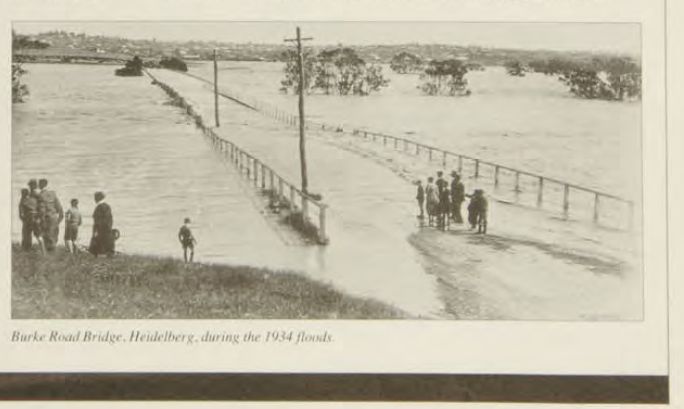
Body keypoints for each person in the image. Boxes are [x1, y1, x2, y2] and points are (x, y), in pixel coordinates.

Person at [37, 178, 64, 252]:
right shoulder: (53, 194)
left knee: (47, 240)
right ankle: (54, 259)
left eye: (39, 184)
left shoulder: (40, 195)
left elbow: (42, 211)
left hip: (46, 219)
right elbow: (60, 209)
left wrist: (42, 222)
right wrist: (58, 221)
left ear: (41, 185)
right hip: (54, 219)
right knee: (54, 239)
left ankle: (49, 259)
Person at [89, 191, 115, 257]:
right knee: (107, 246)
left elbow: (97, 221)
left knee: (98, 247)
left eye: (95, 197)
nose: (94, 199)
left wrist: (95, 232)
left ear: (97, 198)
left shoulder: (99, 207)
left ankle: (100, 256)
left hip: (101, 230)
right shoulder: (108, 206)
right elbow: (110, 219)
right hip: (108, 229)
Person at [24, 179, 45, 253]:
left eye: (32, 185)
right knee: (27, 235)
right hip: (28, 218)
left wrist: (39, 218)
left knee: (38, 235)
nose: (31, 186)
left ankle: (43, 253)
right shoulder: (28, 195)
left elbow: (42, 208)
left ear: (35, 186)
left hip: (35, 216)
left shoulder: (38, 195)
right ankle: (28, 252)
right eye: (30, 185)